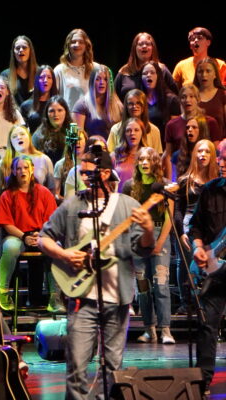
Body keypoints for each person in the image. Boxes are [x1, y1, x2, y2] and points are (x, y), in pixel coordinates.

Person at [38, 149, 155, 400]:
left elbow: (144, 249)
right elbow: (43, 238)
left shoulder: (127, 205)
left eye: (89, 172)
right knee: (77, 366)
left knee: (113, 368)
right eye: (82, 173)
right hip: (81, 296)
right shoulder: (72, 205)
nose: (84, 178)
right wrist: (65, 255)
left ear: (104, 172)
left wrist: (147, 228)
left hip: (117, 297)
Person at [122, 147, 175, 344]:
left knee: (161, 284)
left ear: (155, 163)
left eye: (149, 159)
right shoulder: (129, 186)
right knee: (143, 286)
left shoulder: (165, 186)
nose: (144, 163)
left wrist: (160, 242)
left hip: (160, 233)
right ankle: (149, 328)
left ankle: (166, 329)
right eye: (141, 159)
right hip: (137, 237)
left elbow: (170, 216)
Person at [0, 155, 57, 311]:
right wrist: (24, 236)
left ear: (32, 170)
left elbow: (51, 221)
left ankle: (55, 296)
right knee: (10, 247)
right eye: (19, 168)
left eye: (25, 168)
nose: (22, 171)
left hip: (41, 234)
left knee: (56, 246)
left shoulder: (43, 193)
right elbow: (7, 224)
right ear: (14, 172)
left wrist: (41, 235)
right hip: (18, 235)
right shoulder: (7, 195)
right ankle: (2, 291)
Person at [189, 153, 226, 395]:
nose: (222, 163)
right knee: (207, 324)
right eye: (221, 158)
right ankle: (202, 382)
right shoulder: (210, 190)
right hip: (215, 269)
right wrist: (198, 248)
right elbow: (196, 226)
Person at [174, 139, 218, 314]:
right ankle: (186, 303)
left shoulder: (218, 181)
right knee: (183, 263)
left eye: (207, 151)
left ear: (212, 155)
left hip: (210, 225)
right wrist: (180, 232)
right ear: (194, 155)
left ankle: (207, 301)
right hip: (188, 225)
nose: (203, 155)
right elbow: (178, 209)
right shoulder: (186, 180)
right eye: (200, 151)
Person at [163, 84, 221, 180]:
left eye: (191, 96)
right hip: (183, 166)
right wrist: (170, 181)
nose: (187, 100)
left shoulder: (210, 122)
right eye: (183, 97)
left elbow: (214, 151)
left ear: (198, 99)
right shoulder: (171, 124)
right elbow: (168, 154)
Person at [0, 124, 54, 195]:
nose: (19, 137)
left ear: (29, 137)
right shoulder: (3, 163)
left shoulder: (44, 160)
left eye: (22, 134)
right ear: (11, 142)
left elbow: (51, 191)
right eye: (14, 136)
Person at [114, 32, 178, 101]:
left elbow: (176, 95)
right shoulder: (124, 71)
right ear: (134, 48)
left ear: (153, 48)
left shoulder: (162, 70)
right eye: (140, 44)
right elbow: (113, 98)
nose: (144, 46)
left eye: (148, 44)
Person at [72, 65, 122, 139]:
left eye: (105, 79)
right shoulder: (82, 105)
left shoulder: (118, 105)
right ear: (92, 81)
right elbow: (78, 136)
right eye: (98, 79)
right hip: (91, 148)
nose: (102, 82)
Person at [54, 29, 99, 111]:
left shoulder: (96, 68)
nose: (77, 45)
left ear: (86, 45)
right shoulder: (59, 70)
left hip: (91, 117)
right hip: (68, 119)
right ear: (68, 45)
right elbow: (54, 98)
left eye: (81, 42)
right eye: (73, 42)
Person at [107, 89, 163, 154]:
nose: (134, 106)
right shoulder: (116, 129)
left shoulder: (154, 130)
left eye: (138, 103)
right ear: (126, 106)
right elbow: (109, 155)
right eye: (131, 104)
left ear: (144, 106)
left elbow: (157, 157)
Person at [140, 61, 180, 140]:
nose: (148, 75)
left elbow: (174, 131)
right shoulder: (138, 101)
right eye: (145, 73)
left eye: (152, 72)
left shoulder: (171, 100)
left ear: (158, 76)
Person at [32, 95, 73, 164]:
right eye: (51, 111)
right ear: (46, 114)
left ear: (66, 112)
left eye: (60, 110)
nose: (56, 114)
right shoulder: (38, 136)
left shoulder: (73, 132)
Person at [194, 57, 226, 140]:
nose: (204, 75)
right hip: (196, 143)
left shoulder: (223, 94)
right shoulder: (192, 95)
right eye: (200, 71)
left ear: (215, 74)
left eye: (208, 71)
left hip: (219, 144)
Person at [20, 65, 58, 133]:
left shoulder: (58, 104)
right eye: (42, 77)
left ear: (53, 81)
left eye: (49, 77)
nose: (45, 80)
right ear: (36, 80)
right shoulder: (26, 106)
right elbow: (22, 131)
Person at [1, 35, 38, 105]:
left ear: (30, 50)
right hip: (13, 114)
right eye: (17, 48)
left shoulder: (40, 73)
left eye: (24, 47)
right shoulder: (5, 75)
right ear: (13, 52)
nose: (21, 50)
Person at [112, 117, 145, 191]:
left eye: (136, 130)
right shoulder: (115, 156)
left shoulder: (148, 156)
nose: (132, 133)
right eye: (128, 130)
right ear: (124, 134)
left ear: (142, 133)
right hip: (119, 199)